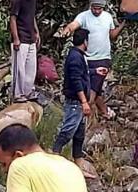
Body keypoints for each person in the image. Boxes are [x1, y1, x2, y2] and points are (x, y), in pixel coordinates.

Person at [61, 0, 126, 120]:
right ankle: (105, 112)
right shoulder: (84, 16)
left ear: (104, 7)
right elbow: (74, 24)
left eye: (99, 8)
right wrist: (68, 29)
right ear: (90, 6)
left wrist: (122, 25)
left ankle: (84, 116)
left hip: (103, 58)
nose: (96, 11)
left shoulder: (107, 17)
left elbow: (112, 36)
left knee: (93, 91)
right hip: (87, 58)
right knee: (91, 88)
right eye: (94, 8)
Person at [0, 124, 87, 192]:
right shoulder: (72, 167)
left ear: (18, 155)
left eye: (4, 164)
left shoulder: (19, 165)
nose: (3, 170)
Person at [52, 28, 93, 178]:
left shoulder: (77, 55)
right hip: (76, 102)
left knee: (79, 135)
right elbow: (76, 80)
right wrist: (84, 101)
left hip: (79, 103)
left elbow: (80, 75)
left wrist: (95, 72)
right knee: (67, 131)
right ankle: (53, 156)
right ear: (85, 42)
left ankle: (79, 165)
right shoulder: (76, 57)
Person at [10, 0, 42, 103]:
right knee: (19, 69)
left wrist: (36, 31)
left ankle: (28, 91)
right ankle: (18, 94)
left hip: (30, 38)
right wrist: (16, 38)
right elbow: (13, 19)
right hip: (21, 38)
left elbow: (32, 16)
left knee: (31, 68)